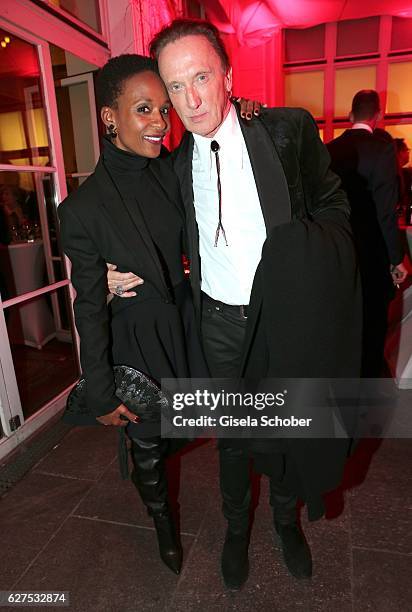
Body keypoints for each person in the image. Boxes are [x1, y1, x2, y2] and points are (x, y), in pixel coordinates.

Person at [107, 18, 363, 590]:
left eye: (201, 77)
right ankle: (236, 532)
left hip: (285, 318)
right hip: (218, 321)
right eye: (176, 87)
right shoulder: (171, 168)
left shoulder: (286, 131)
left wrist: (310, 264)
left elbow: (333, 204)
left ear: (227, 74)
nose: (192, 99)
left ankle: (285, 524)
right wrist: (103, 268)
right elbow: (131, 219)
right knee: (233, 439)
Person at [58, 54, 212, 575]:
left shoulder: (168, 171)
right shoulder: (81, 209)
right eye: (144, 109)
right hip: (136, 338)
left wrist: (249, 111)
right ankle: (163, 526)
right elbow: (88, 306)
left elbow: (215, 135)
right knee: (148, 444)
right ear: (109, 118)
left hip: (185, 325)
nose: (159, 123)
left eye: (163, 110)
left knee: (195, 423)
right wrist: (98, 388)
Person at [327, 90, 408, 377]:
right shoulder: (382, 150)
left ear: (350, 115)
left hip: (338, 252)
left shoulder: (330, 149)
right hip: (371, 254)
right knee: (372, 325)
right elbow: (386, 212)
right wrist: (396, 258)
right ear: (377, 116)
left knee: (343, 322)